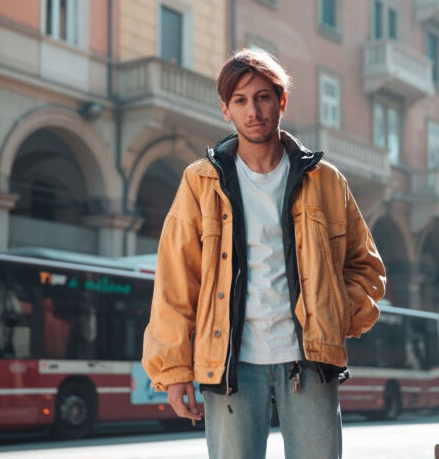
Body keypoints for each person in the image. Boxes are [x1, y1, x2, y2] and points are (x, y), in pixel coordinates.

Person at [142, 49, 386, 459]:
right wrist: (173, 371)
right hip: (231, 365)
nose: (252, 111)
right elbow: (175, 281)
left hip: (310, 361)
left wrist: (333, 314)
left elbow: (367, 268)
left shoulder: (325, 180)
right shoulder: (200, 182)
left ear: (281, 102)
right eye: (240, 100)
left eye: (262, 97)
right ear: (226, 110)